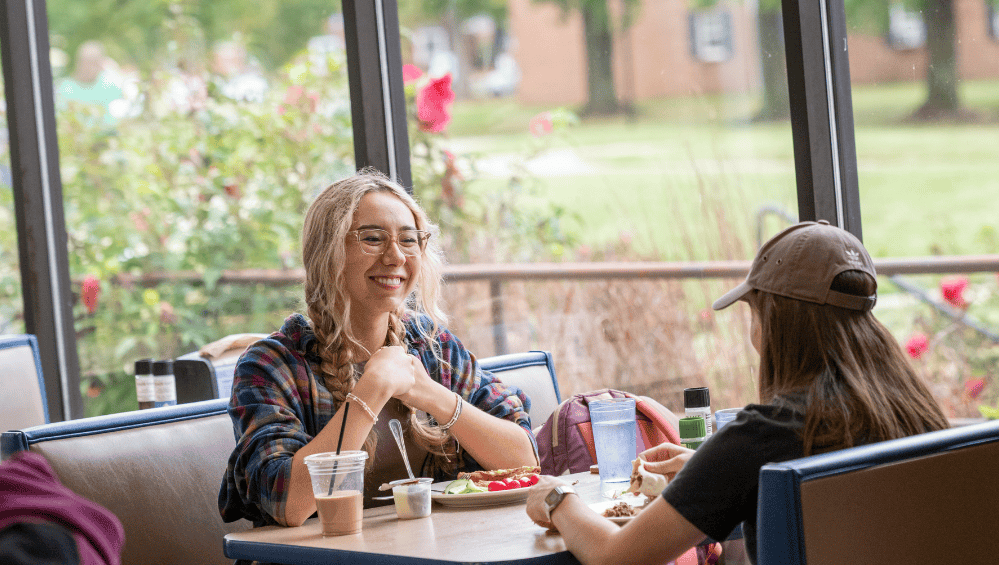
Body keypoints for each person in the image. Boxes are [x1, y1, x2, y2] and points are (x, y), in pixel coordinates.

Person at [526, 220, 950, 565]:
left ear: (775, 320)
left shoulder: (764, 435)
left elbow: (616, 557)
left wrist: (559, 498)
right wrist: (707, 469)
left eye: (753, 312)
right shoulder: (912, 414)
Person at [219, 168, 538, 528]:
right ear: (327, 252)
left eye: (408, 240)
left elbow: (524, 458)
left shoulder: (431, 346)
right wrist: (372, 391)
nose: (396, 257)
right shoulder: (271, 366)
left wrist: (430, 394)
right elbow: (288, 502)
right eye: (372, 238)